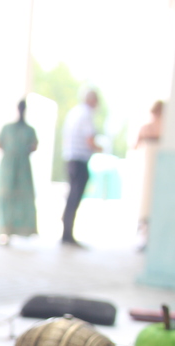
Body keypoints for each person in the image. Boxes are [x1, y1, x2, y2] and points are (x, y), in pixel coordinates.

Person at [60, 88, 101, 247]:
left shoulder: (74, 112)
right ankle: (67, 234)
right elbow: (89, 139)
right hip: (79, 160)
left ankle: (67, 231)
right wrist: (100, 148)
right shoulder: (86, 114)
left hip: (70, 158)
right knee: (75, 197)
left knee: (72, 196)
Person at [0, 99, 38, 244]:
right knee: (5, 196)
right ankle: (4, 230)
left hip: (23, 168)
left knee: (23, 197)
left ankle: (21, 230)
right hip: (8, 166)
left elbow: (34, 146)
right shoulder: (7, 128)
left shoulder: (30, 130)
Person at [134, 99, 163, 239]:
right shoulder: (165, 129)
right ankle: (146, 231)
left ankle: (144, 231)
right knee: (151, 197)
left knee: (146, 198)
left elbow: (135, 146)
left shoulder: (146, 128)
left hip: (148, 167)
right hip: (155, 167)